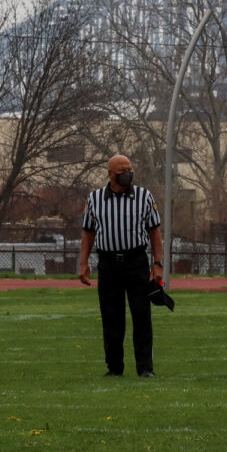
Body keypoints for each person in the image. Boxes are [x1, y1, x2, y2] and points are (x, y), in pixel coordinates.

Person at [78, 154, 163, 378]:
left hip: (136, 261)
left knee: (141, 315)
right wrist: (84, 263)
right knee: (111, 317)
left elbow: (154, 231)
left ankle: (145, 368)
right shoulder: (95, 198)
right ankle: (114, 368)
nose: (128, 174)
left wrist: (157, 263)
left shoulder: (143, 196)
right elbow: (88, 233)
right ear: (111, 174)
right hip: (107, 263)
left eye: (130, 169)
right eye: (123, 170)